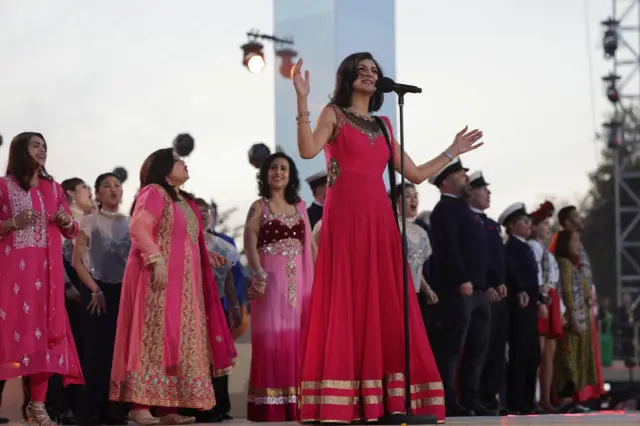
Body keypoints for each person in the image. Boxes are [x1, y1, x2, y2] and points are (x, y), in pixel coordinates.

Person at [291, 52, 483, 423]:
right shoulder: (334, 114)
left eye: (373, 71)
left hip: (380, 222)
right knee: (347, 299)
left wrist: (452, 151)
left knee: (381, 302)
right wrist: (302, 100)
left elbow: (414, 173)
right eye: (361, 70)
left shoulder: (384, 125)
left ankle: (383, 399)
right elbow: (307, 150)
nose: (368, 74)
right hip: (345, 220)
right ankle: (343, 398)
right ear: (348, 77)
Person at [109, 148, 236, 425]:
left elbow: (187, 240)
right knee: (153, 339)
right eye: (179, 161)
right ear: (166, 170)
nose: (184, 163)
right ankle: (139, 407)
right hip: (157, 279)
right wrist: (157, 261)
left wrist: (205, 254)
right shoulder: (154, 192)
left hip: (186, 288)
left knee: (176, 343)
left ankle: (168, 408)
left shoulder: (186, 201)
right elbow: (139, 227)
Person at [0, 132, 84, 426]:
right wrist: (13, 223)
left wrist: (65, 221)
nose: (42, 150)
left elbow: (72, 229)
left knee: (46, 339)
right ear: (20, 150)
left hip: (47, 276)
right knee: (6, 333)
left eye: (45, 146)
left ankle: (37, 406)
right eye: (36, 145)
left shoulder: (54, 188)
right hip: (12, 275)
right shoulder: (3, 186)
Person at [244, 152, 315, 421]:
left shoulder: (300, 207)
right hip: (270, 283)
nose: (278, 172)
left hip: (301, 284)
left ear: (290, 175)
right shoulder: (259, 207)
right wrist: (259, 274)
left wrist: (321, 280)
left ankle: (296, 403)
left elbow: (311, 246)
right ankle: (271, 406)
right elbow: (249, 242)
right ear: (265, 174)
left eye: (284, 168)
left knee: (298, 338)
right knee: (272, 339)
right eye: (273, 167)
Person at [429, 162, 492, 417]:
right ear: (446, 182)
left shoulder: (465, 210)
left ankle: (471, 395)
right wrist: (461, 279)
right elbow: (448, 250)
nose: (466, 178)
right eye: (460, 174)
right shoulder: (444, 210)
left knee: (478, 345)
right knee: (452, 346)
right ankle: (448, 398)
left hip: (477, 289)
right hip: (458, 289)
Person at [73, 172, 131, 425]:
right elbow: (77, 261)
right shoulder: (89, 221)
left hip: (125, 293)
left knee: (122, 354)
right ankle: (88, 412)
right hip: (96, 290)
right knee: (97, 352)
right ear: (97, 193)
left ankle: (114, 410)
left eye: (117, 185)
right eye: (106, 186)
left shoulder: (131, 222)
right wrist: (94, 290)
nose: (113, 190)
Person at [467, 171, 509, 415]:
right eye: (483, 189)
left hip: (498, 293)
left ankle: (491, 398)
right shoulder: (470, 221)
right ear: (471, 192)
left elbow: (496, 259)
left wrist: (500, 281)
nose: (488, 193)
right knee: (479, 347)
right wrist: (489, 284)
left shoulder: (491, 224)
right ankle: (476, 397)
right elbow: (477, 259)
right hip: (481, 291)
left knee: (496, 350)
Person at [500, 203, 541, 415]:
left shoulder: (525, 246)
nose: (529, 225)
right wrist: (521, 290)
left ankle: (528, 401)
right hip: (519, 306)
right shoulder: (511, 248)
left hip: (531, 305)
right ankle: (518, 403)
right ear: (511, 226)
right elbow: (512, 273)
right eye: (524, 222)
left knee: (533, 355)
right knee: (520, 354)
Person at [552, 230, 599, 407]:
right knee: (568, 360)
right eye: (575, 241)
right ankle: (565, 401)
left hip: (581, 319)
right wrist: (573, 318)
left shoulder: (572, 265)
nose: (578, 245)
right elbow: (567, 292)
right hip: (572, 322)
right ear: (565, 244)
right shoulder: (564, 264)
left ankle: (571, 400)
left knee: (576, 359)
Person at [527, 201, 563, 413]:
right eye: (543, 224)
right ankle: (535, 396)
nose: (547, 228)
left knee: (549, 354)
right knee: (538, 354)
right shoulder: (532, 247)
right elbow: (538, 275)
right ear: (533, 226)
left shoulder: (547, 252)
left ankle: (546, 397)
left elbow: (555, 281)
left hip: (551, 299)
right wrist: (541, 299)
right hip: (542, 298)